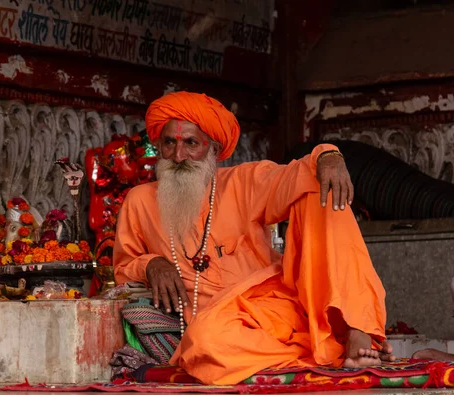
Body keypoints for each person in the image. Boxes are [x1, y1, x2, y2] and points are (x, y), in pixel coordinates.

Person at [113, 91, 394, 385]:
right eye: (170, 143)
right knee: (203, 344)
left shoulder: (244, 181)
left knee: (318, 184)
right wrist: (150, 264)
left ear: (213, 147)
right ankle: (332, 349)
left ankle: (357, 327)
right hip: (225, 328)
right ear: (158, 145)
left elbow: (295, 176)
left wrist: (329, 155)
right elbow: (122, 270)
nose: (179, 156)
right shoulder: (140, 201)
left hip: (276, 309)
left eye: (191, 143)